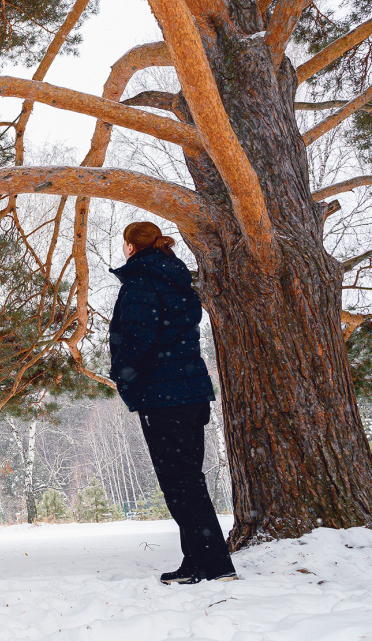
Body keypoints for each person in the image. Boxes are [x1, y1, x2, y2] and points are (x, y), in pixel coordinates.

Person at [109, 222, 238, 585]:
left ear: (131, 248)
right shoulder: (178, 282)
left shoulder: (141, 283)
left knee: (180, 482)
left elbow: (136, 339)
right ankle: (198, 561)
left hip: (164, 396)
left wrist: (124, 377)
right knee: (187, 479)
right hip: (191, 392)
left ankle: (214, 565)